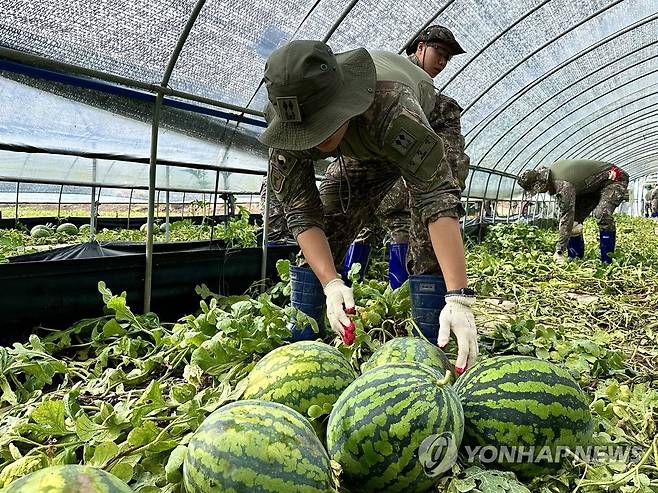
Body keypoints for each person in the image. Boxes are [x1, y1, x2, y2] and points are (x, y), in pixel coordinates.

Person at [260, 40, 478, 373]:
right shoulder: (289, 128)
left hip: (428, 124)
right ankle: (302, 346)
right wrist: (332, 283)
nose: (315, 141)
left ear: (342, 102)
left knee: (425, 235)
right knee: (330, 223)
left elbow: (436, 197)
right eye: (305, 132)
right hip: (365, 148)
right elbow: (301, 213)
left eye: (322, 125)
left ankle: (438, 352)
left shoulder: (390, 105)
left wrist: (459, 295)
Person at [342, 25, 470, 289]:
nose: (443, 61)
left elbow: (449, 164)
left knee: (402, 225)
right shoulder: (394, 84)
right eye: (439, 52)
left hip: (402, 187)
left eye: (448, 57)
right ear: (420, 48)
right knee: (372, 222)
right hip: (378, 176)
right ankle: (348, 285)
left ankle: (396, 291)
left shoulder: (433, 101)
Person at [517, 159, 629, 264]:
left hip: (614, 179)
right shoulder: (551, 179)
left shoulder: (563, 184)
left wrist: (559, 250)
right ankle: (575, 258)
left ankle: (607, 259)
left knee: (601, 213)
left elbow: (566, 216)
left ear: (539, 184)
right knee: (575, 222)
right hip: (591, 187)